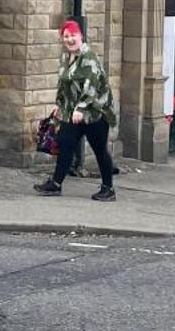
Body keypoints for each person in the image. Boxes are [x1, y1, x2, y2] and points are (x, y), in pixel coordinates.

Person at [35, 20, 118, 201]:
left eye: (73, 35)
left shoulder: (88, 57)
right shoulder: (66, 57)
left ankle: (108, 188)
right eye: (66, 36)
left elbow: (92, 85)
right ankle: (55, 185)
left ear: (80, 36)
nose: (70, 39)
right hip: (73, 113)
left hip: (95, 113)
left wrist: (80, 108)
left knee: (99, 150)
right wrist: (59, 104)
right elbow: (64, 84)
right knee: (65, 145)